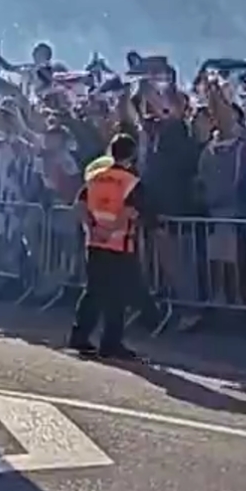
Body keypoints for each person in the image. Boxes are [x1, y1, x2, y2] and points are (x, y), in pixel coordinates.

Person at [67, 133, 144, 360]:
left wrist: (93, 228)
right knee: (117, 296)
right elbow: (129, 211)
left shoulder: (95, 178)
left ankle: (79, 336)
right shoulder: (131, 181)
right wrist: (110, 231)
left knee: (93, 291)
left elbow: (79, 206)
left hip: (94, 243)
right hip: (119, 244)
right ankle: (111, 343)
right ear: (132, 155)